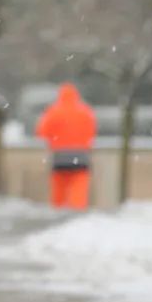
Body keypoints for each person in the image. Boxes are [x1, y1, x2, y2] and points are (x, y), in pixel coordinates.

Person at [35, 83, 97, 211]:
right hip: (81, 157)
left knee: (59, 190)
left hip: (59, 157)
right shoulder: (85, 111)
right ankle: (77, 212)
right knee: (79, 189)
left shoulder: (53, 111)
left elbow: (42, 131)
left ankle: (58, 212)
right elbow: (92, 131)